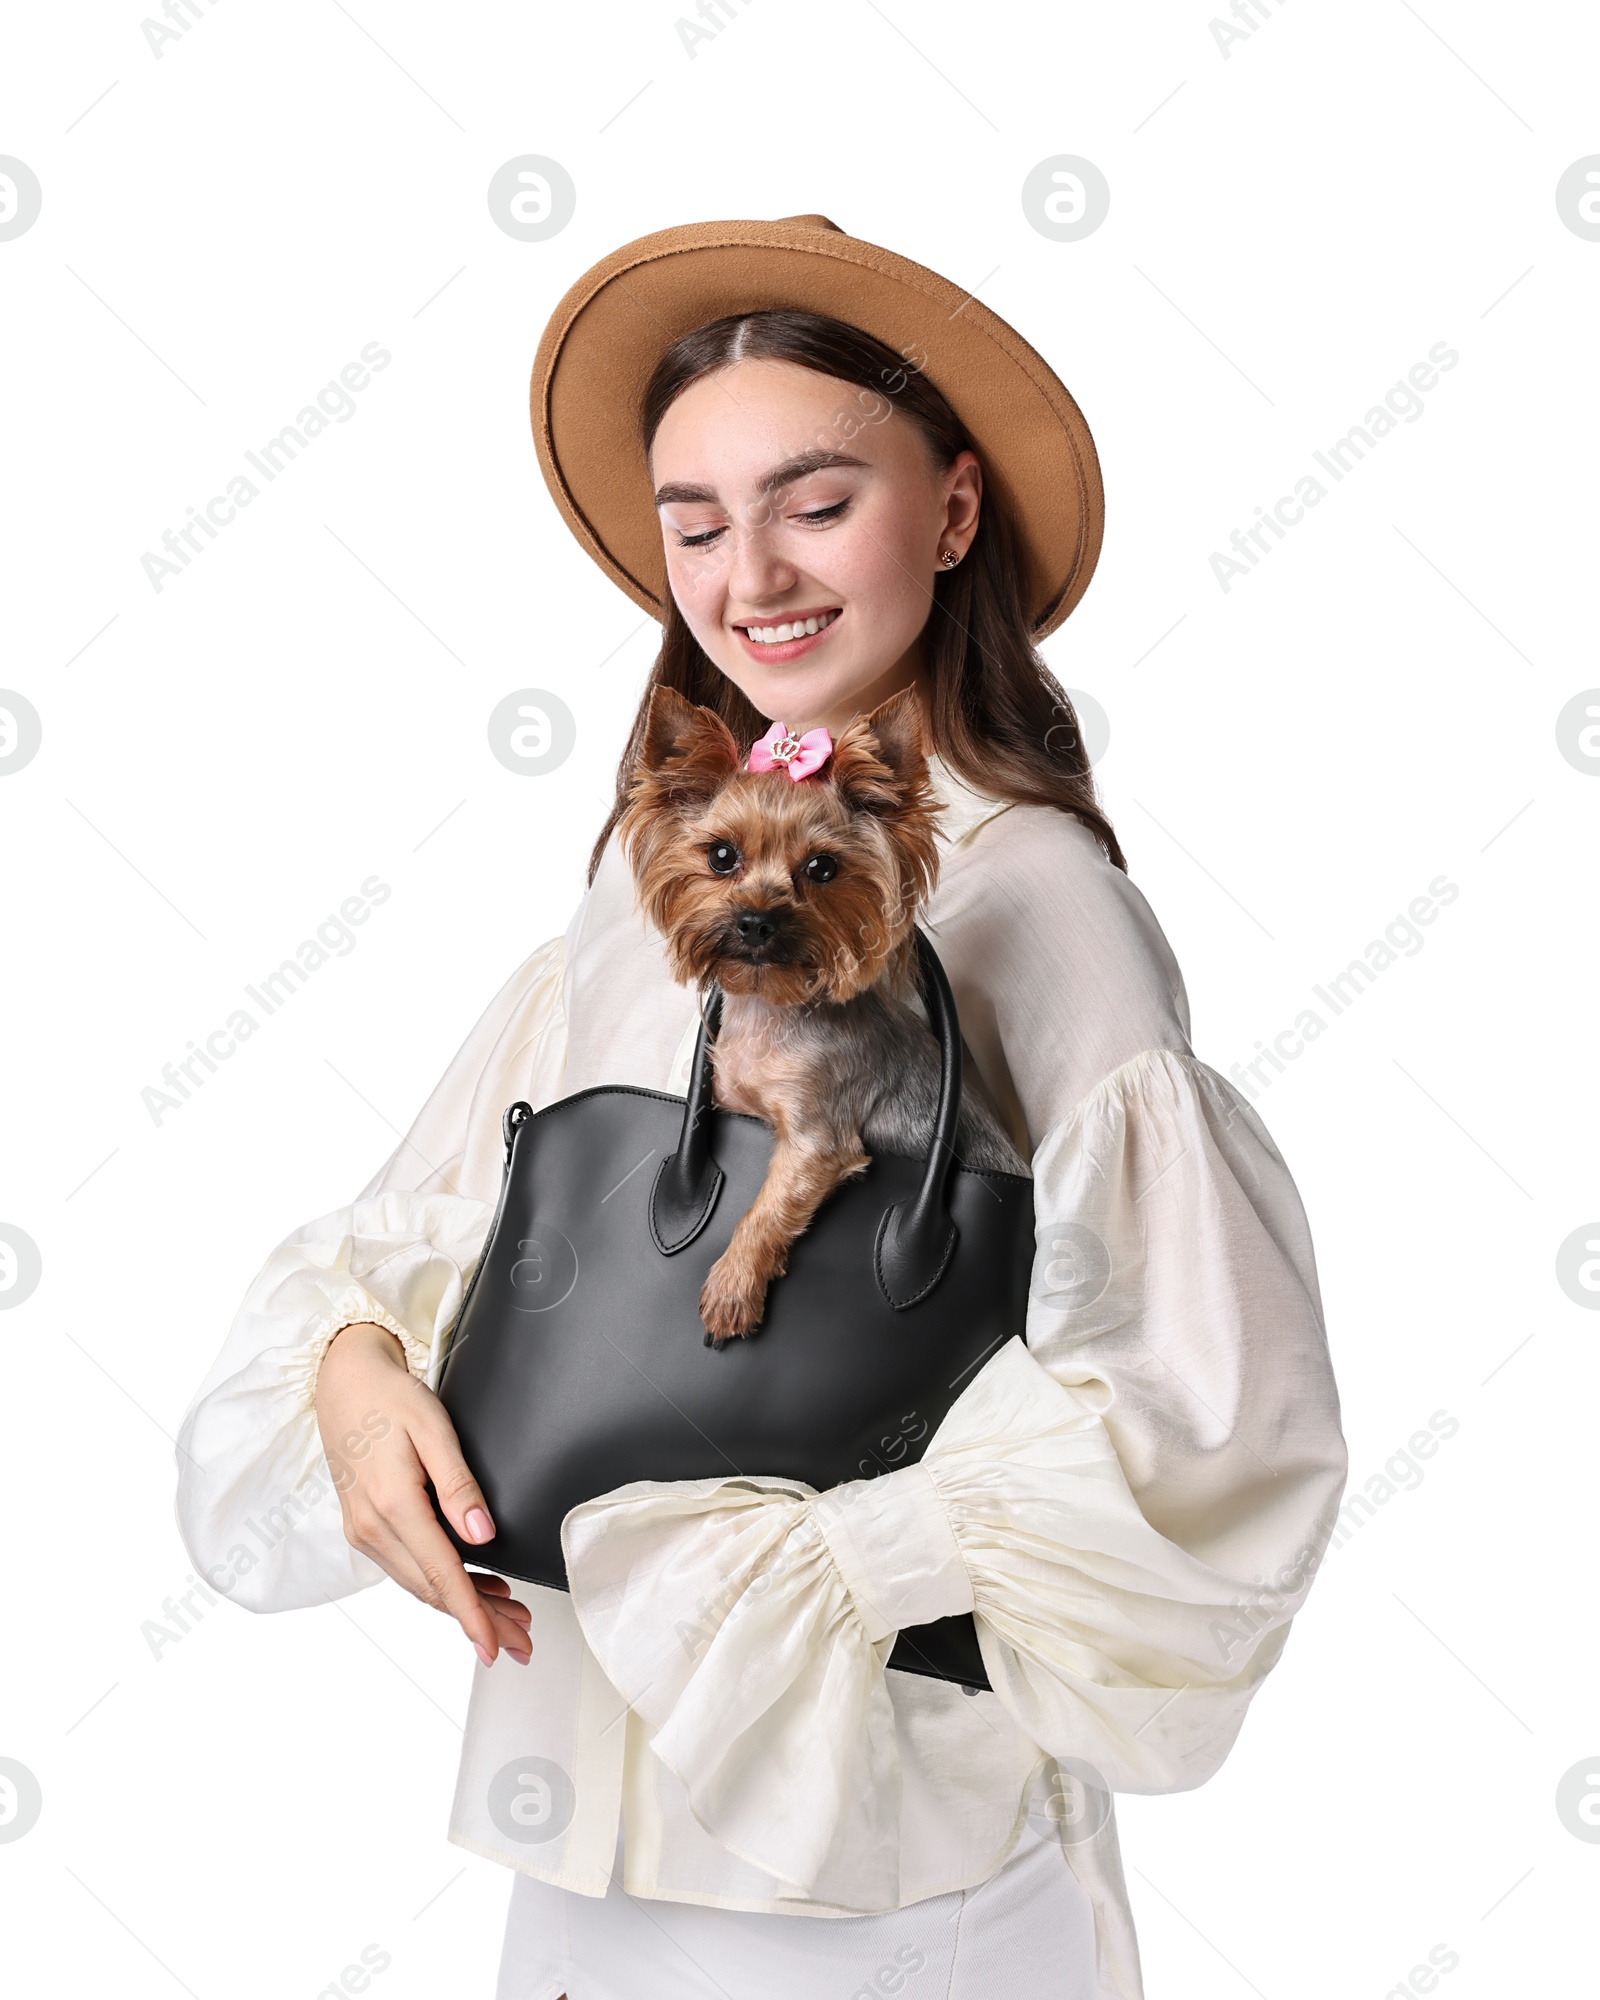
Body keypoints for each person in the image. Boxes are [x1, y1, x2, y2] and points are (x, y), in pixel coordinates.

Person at [176, 215, 1348, 2000]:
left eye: (815, 502)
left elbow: (1216, 1429)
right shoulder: (641, 896)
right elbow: (421, 1233)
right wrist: (356, 1373)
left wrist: (816, 1559)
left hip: (885, 1884)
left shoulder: (1045, 908)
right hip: (571, 1835)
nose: (752, 575)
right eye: (698, 520)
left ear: (953, 514)